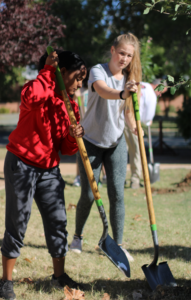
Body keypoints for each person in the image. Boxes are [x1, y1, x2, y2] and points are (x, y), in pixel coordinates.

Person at [0, 50, 87, 300]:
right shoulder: (36, 88)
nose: (81, 83)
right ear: (63, 73)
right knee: (17, 222)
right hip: (22, 164)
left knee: (58, 221)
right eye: (78, 77)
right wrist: (48, 70)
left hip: (49, 170)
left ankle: (59, 276)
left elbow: (67, 149)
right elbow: (33, 97)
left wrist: (73, 134)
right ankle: (6, 282)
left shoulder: (70, 104)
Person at [70, 33, 142, 262]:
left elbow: (127, 110)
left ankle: (116, 245)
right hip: (90, 140)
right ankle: (77, 237)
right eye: (121, 53)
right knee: (89, 195)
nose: (124, 58)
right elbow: (102, 91)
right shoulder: (97, 71)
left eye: (129, 55)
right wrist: (123, 92)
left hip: (116, 142)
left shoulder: (130, 78)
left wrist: (134, 128)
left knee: (117, 194)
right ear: (112, 50)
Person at [124, 79, 167, 189]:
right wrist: (148, 121)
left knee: (122, 151)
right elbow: (148, 115)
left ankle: (120, 179)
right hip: (133, 122)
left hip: (122, 118)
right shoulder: (151, 93)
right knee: (137, 151)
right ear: (157, 86)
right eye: (161, 91)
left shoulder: (141, 84)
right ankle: (135, 180)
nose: (160, 94)